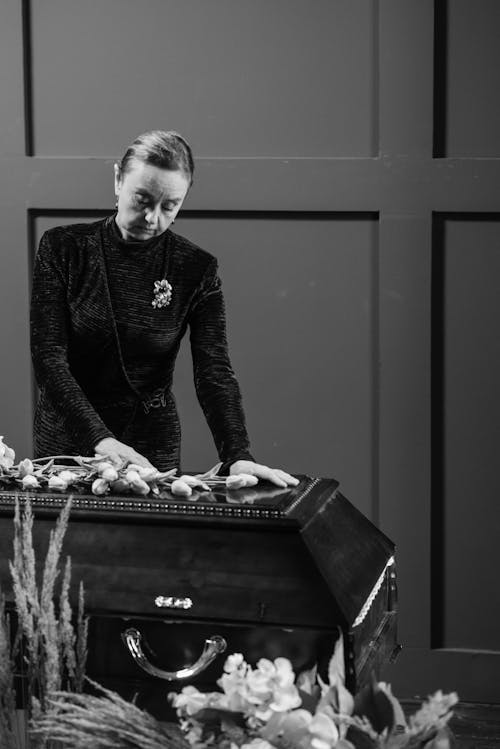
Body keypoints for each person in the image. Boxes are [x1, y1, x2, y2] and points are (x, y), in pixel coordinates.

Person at [30, 130, 297, 488]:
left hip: (151, 443)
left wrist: (238, 455)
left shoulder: (196, 268)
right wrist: (101, 440)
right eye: (142, 199)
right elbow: (48, 358)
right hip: (72, 438)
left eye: (169, 205)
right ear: (117, 180)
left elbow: (214, 371)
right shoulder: (63, 248)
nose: (152, 218)